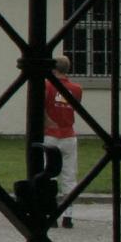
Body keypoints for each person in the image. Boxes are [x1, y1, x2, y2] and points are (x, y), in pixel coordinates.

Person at [43, 54, 83, 228]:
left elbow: (42, 106)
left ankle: (50, 213)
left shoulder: (47, 85)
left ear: (53, 68)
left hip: (50, 134)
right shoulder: (76, 88)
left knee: (48, 175)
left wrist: (48, 121)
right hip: (68, 134)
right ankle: (68, 216)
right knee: (69, 176)